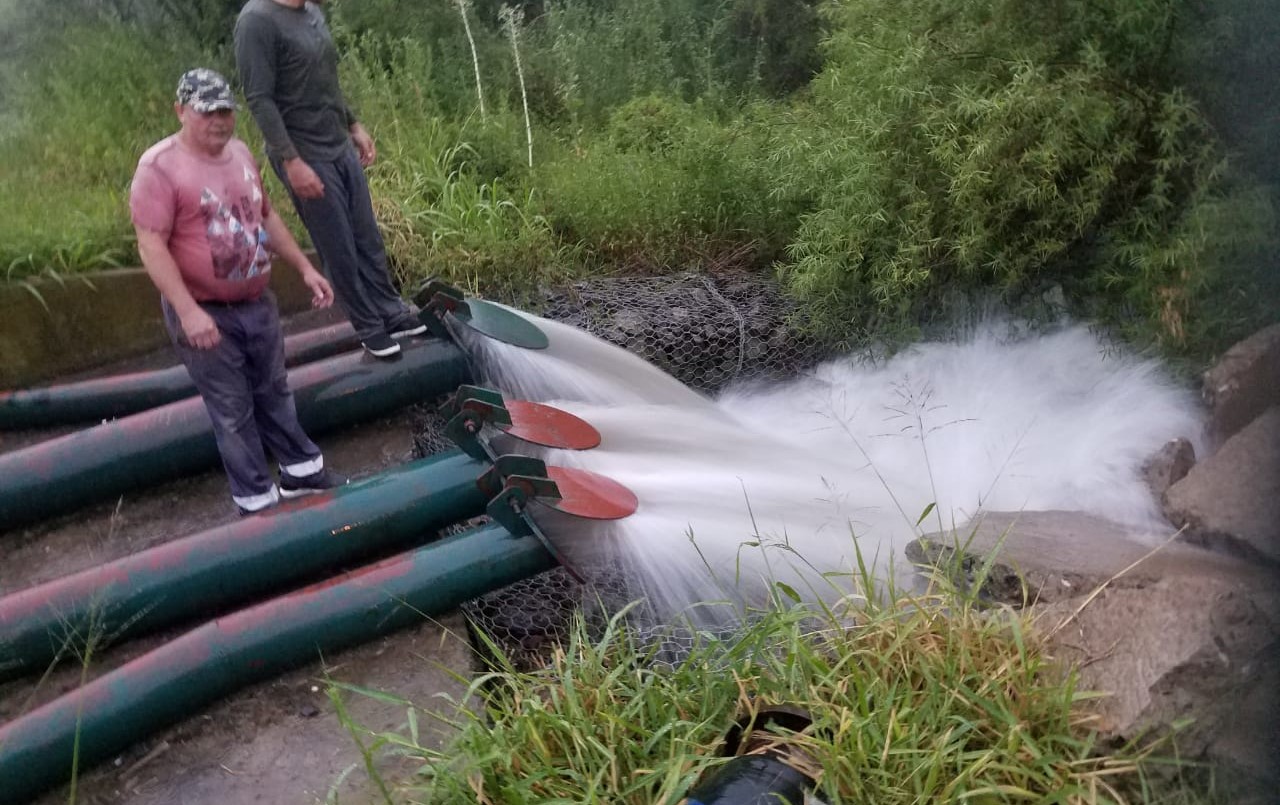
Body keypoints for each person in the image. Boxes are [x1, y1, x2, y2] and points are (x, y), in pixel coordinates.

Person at [130, 68, 348, 515]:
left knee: (274, 388)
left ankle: (301, 473)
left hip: (255, 302)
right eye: (207, 110)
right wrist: (188, 312)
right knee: (232, 407)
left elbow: (265, 217)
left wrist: (305, 268)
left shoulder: (242, 153)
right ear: (181, 111)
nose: (219, 119)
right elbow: (150, 244)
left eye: (225, 110)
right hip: (205, 311)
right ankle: (256, 503)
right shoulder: (159, 167)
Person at [233, 0, 425, 359]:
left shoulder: (312, 13)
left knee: (366, 236)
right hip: (303, 152)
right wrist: (291, 161)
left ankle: (392, 311)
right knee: (338, 246)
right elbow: (260, 99)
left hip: (337, 143)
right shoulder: (256, 21)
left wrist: (353, 123)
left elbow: (326, 81)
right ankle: (369, 327)